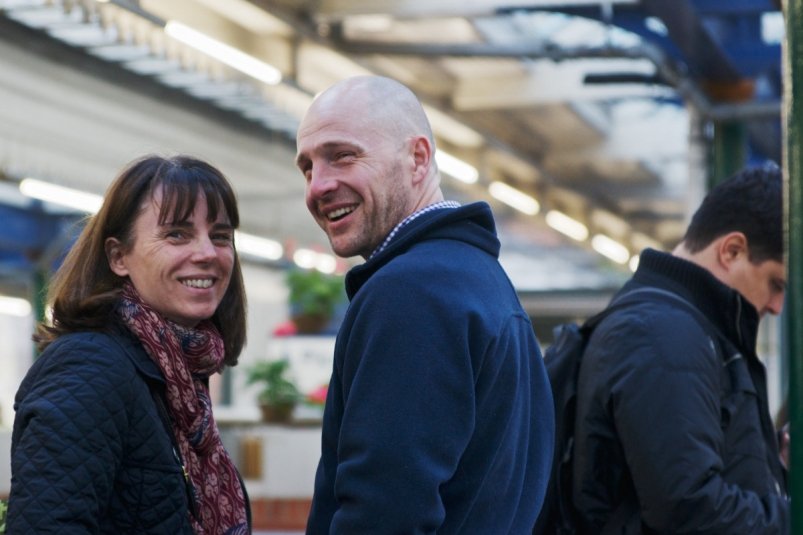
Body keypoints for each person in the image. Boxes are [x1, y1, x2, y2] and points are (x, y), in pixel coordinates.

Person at [295, 74, 554, 534]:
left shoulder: (411, 294)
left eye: (343, 156)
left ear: (418, 158)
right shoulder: (480, 280)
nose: (317, 186)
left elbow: (384, 515)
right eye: (308, 168)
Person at [7, 155, 251, 534]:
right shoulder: (89, 368)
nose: (207, 253)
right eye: (177, 234)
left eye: (220, 236)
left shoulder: (179, 376)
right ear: (119, 257)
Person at [572, 165, 789, 534]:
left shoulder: (688, 331)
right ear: (732, 250)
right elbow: (690, 510)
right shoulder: (662, 336)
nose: (777, 305)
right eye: (776, 283)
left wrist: (776, 469)